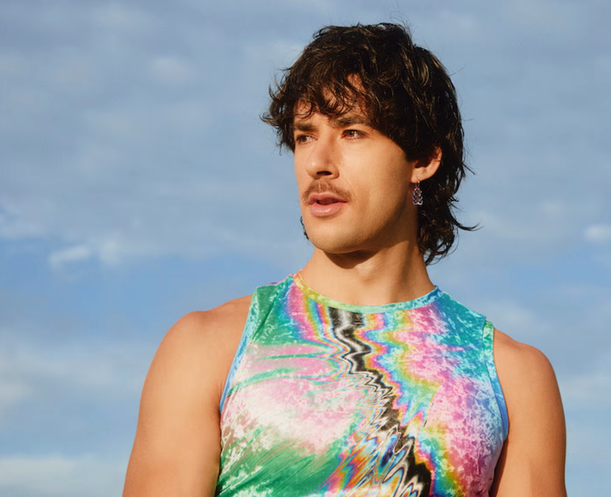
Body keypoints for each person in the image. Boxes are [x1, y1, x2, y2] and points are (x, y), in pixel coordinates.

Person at [123, 23, 566, 497]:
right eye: (305, 136)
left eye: (352, 132)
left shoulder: (512, 377)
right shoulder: (208, 349)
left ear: (423, 159)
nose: (318, 162)